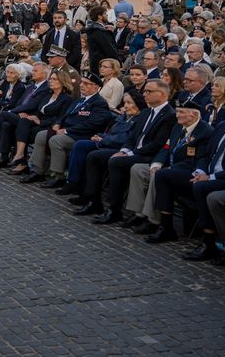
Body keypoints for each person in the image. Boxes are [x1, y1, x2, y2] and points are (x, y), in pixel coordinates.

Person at [91, 79, 177, 225]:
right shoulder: (146, 112)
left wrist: (131, 153)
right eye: (145, 91)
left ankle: (114, 210)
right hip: (136, 152)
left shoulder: (169, 115)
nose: (145, 94)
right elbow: (132, 137)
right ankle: (100, 203)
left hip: (150, 156)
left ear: (162, 94)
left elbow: (157, 144)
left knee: (115, 162)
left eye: (149, 91)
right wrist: (125, 150)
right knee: (106, 158)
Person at [123, 105, 214, 239]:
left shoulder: (205, 131)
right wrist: (157, 163)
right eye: (177, 112)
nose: (177, 115)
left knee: (159, 176)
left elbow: (196, 159)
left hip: (187, 170)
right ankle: (138, 214)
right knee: (137, 169)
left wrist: (171, 168)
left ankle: (153, 220)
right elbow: (166, 147)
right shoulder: (178, 126)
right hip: (169, 165)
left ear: (194, 115)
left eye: (181, 112)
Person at [21, 71, 113, 187]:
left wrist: (66, 131)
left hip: (82, 136)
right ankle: (37, 170)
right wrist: (58, 123)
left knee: (56, 140)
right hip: (68, 131)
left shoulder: (99, 103)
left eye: (86, 83)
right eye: (81, 82)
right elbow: (65, 115)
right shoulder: (80, 100)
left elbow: (92, 125)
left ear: (95, 87)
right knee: (41, 135)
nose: (82, 85)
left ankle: (58, 175)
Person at [68, 89, 147, 214]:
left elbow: (124, 139)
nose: (125, 106)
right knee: (81, 145)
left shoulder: (139, 119)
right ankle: (76, 184)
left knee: (94, 156)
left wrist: (103, 140)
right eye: (124, 103)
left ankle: (93, 199)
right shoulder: (124, 117)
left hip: (121, 149)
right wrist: (100, 136)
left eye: (129, 103)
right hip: (107, 143)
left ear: (138, 104)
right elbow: (111, 133)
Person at [7, 69, 74, 175]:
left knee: (26, 131)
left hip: (50, 125)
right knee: (22, 122)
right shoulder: (48, 95)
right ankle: (20, 155)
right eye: (50, 79)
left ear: (62, 82)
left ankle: (26, 163)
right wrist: (33, 116)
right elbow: (40, 111)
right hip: (39, 121)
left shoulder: (67, 99)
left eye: (54, 79)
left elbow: (60, 118)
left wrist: (40, 122)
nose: (51, 81)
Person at [183, 115, 225, 261]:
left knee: (201, 188)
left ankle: (208, 240)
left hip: (221, 178)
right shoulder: (222, 126)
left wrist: (211, 177)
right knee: (189, 181)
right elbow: (206, 154)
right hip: (209, 174)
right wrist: (200, 172)